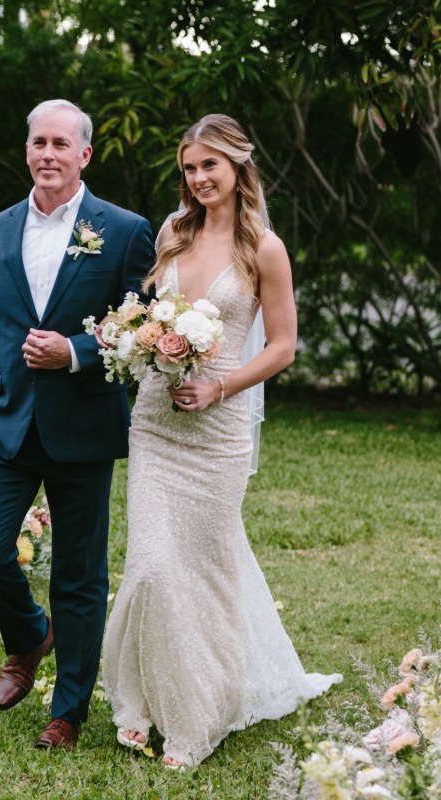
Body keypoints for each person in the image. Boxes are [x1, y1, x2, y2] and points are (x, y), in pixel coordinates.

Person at [100, 114, 341, 768]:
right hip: (156, 418)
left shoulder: (264, 247)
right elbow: (155, 313)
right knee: (151, 564)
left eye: (210, 165)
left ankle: (198, 713)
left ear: (238, 167)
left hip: (218, 427)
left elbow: (286, 346)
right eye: (189, 168)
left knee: (205, 569)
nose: (199, 178)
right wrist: (142, 341)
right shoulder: (172, 233)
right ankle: (138, 698)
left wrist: (220, 386)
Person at [0, 100, 153, 752]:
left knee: (80, 575)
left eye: (62, 143)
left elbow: (141, 324)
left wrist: (76, 353)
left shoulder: (121, 230)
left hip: (82, 421)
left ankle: (68, 711)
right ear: (27, 149)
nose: (49, 154)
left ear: (84, 155)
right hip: (2, 419)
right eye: (39, 142)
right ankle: (30, 636)